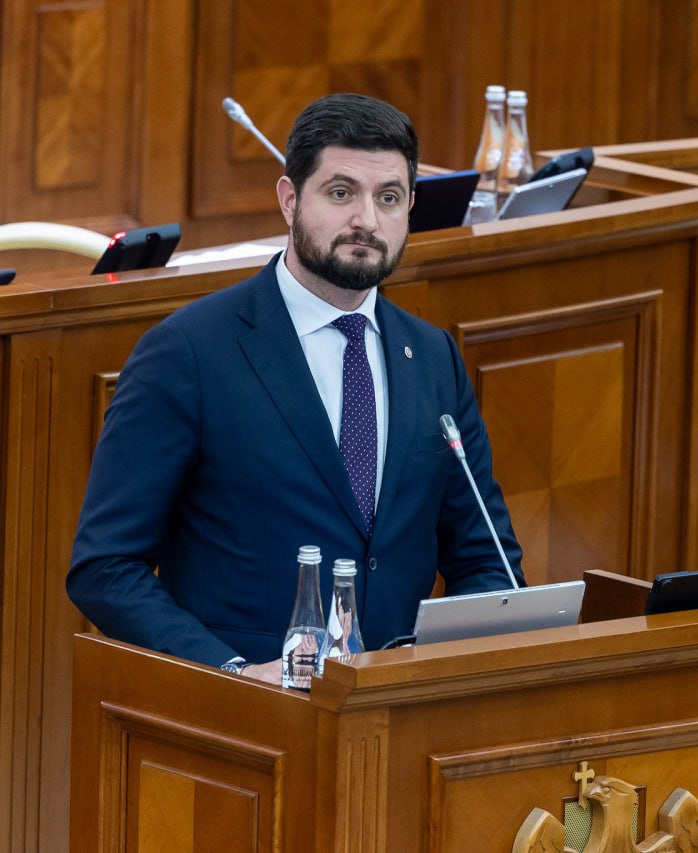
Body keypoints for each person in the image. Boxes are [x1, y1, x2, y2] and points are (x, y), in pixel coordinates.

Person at [67, 93, 523, 684]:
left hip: (399, 709)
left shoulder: (433, 356)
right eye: (341, 193)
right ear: (289, 200)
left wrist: (437, 670)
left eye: (388, 198)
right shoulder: (187, 352)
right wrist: (232, 675)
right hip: (247, 715)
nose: (367, 220)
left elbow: (488, 559)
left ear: (411, 207)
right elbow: (106, 567)